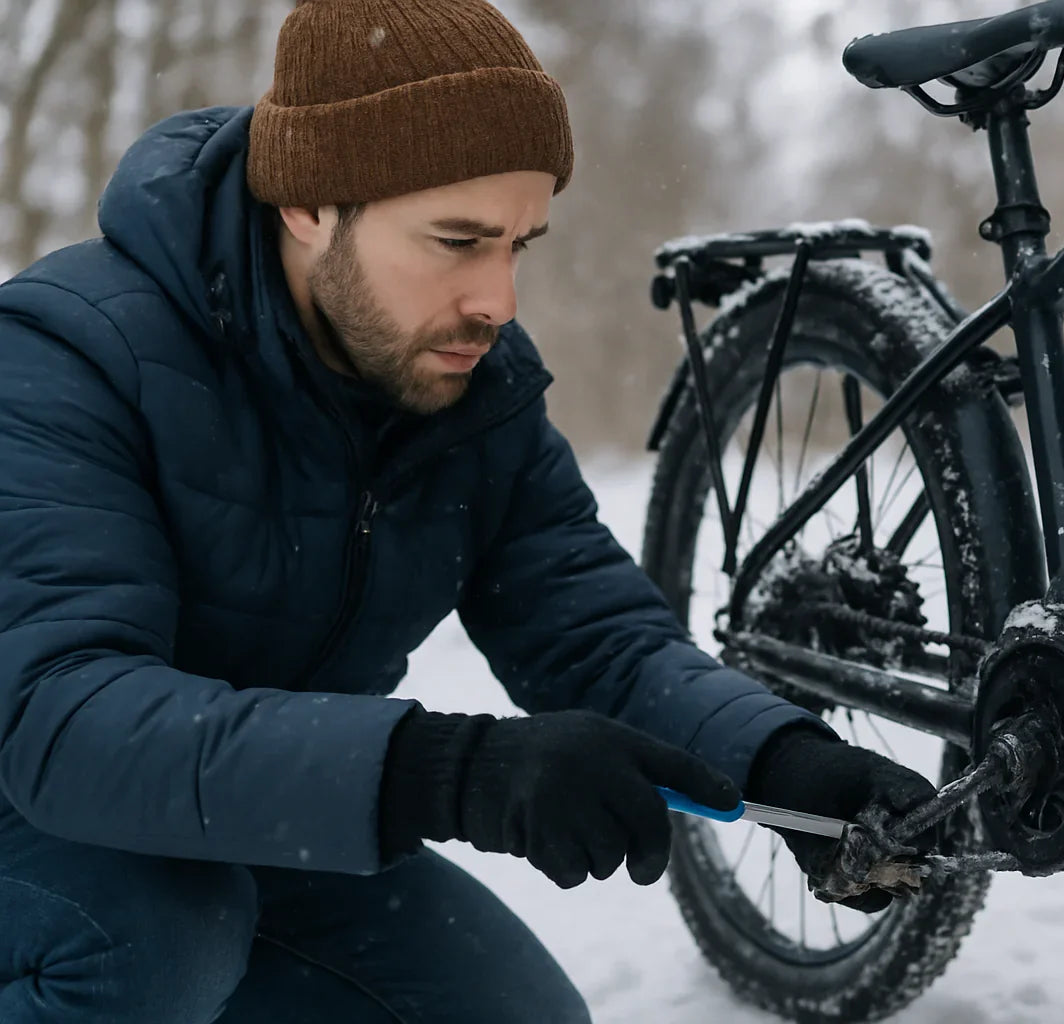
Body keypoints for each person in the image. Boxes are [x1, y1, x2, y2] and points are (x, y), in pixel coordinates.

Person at [0, 1, 940, 1021]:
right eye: (457, 241)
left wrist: (786, 764)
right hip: (43, 820)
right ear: (310, 203)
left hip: (246, 824)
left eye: (518, 245)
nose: (499, 298)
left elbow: (597, 639)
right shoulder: (68, 358)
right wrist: (447, 769)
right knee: (156, 939)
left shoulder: (468, 391)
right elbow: (62, 716)